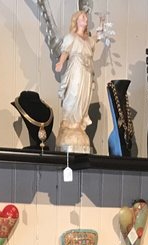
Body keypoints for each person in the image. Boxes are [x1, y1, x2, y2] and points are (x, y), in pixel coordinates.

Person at [54, 10, 96, 153]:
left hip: (87, 72)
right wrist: (61, 62)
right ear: (76, 21)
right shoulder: (71, 37)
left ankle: (77, 125)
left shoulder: (89, 40)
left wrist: (102, 27)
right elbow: (65, 52)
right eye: (82, 17)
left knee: (84, 97)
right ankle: (68, 125)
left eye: (86, 17)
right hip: (76, 69)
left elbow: (97, 39)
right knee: (74, 94)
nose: (85, 19)